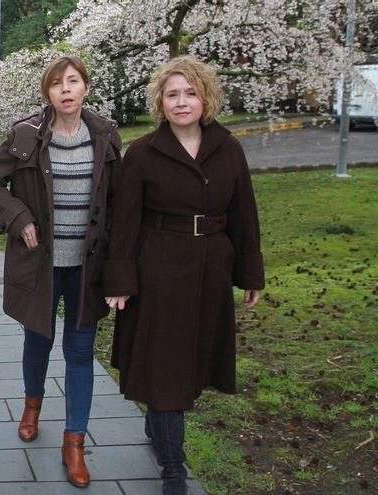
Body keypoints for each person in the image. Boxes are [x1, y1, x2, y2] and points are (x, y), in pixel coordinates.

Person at [103, 56, 264, 494]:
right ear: (160, 101)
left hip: (212, 269)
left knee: (190, 364)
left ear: (205, 97)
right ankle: (173, 467)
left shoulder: (228, 148)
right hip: (158, 271)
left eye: (190, 93)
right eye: (172, 94)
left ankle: (160, 429)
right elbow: (125, 223)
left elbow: (244, 213)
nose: (181, 102)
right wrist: (119, 280)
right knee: (165, 369)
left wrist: (250, 272)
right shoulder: (142, 153)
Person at [0, 56, 122, 487]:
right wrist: (18, 218)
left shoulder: (106, 135)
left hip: (87, 265)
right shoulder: (27, 135)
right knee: (37, 339)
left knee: (80, 353)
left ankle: (74, 442)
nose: (66, 90)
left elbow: (119, 198)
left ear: (86, 88)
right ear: (48, 93)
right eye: (57, 84)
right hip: (40, 264)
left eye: (74, 81)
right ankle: (32, 405)